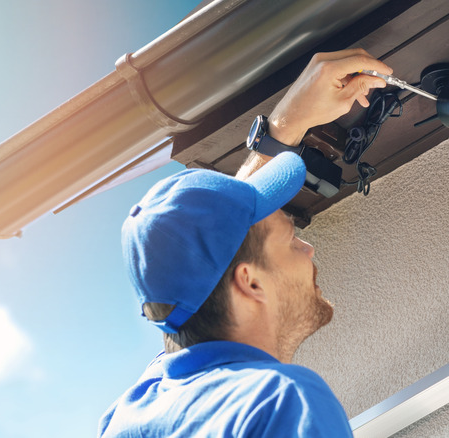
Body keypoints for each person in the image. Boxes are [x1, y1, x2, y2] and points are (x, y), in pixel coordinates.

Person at [98, 49, 392, 437]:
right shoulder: (280, 403)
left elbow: (217, 237)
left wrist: (287, 124)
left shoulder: (129, 417)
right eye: (290, 241)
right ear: (250, 281)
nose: (308, 249)